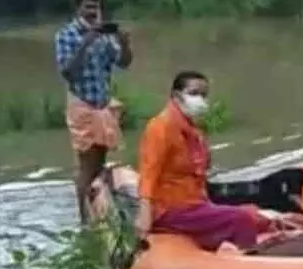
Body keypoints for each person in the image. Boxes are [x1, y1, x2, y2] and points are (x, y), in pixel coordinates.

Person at [134, 71, 258, 251]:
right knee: (242, 219)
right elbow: (148, 173)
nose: (200, 99)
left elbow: (201, 168)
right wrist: (144, 213)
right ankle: (248, 266)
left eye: (204, 95)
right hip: (170, 208)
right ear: (177, 96)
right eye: (194, 93)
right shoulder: (160, 127)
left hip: (193, 203)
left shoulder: (192, 129)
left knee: (251, 212)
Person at [55, 0, 133, 225]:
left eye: (96, 7)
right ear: (77, 8)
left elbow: (124, 63)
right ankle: (84, 223)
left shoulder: (104, 35)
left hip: (104, 106)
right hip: (83, 106)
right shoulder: (66, 35)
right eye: (88, 7)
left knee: (99, 164)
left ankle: (96, 214)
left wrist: (125, 44)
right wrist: (85, 44)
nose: (92, 12)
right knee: (87, 167)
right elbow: (67, 72)